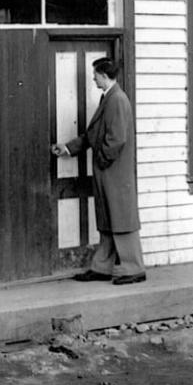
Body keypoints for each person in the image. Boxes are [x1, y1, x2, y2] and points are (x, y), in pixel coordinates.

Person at [51, 57, 146, 285]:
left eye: (95, 75)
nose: (93, 79)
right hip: (109, 172)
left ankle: (134, 268)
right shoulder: (109, 98)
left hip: (115, 173)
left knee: (122, 218)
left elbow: (117, 139)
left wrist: (102, 160)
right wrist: (67, 148)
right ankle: (103, 267)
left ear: (104, 76)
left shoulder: (117, 100)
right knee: (108, 218)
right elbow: (92, 135)